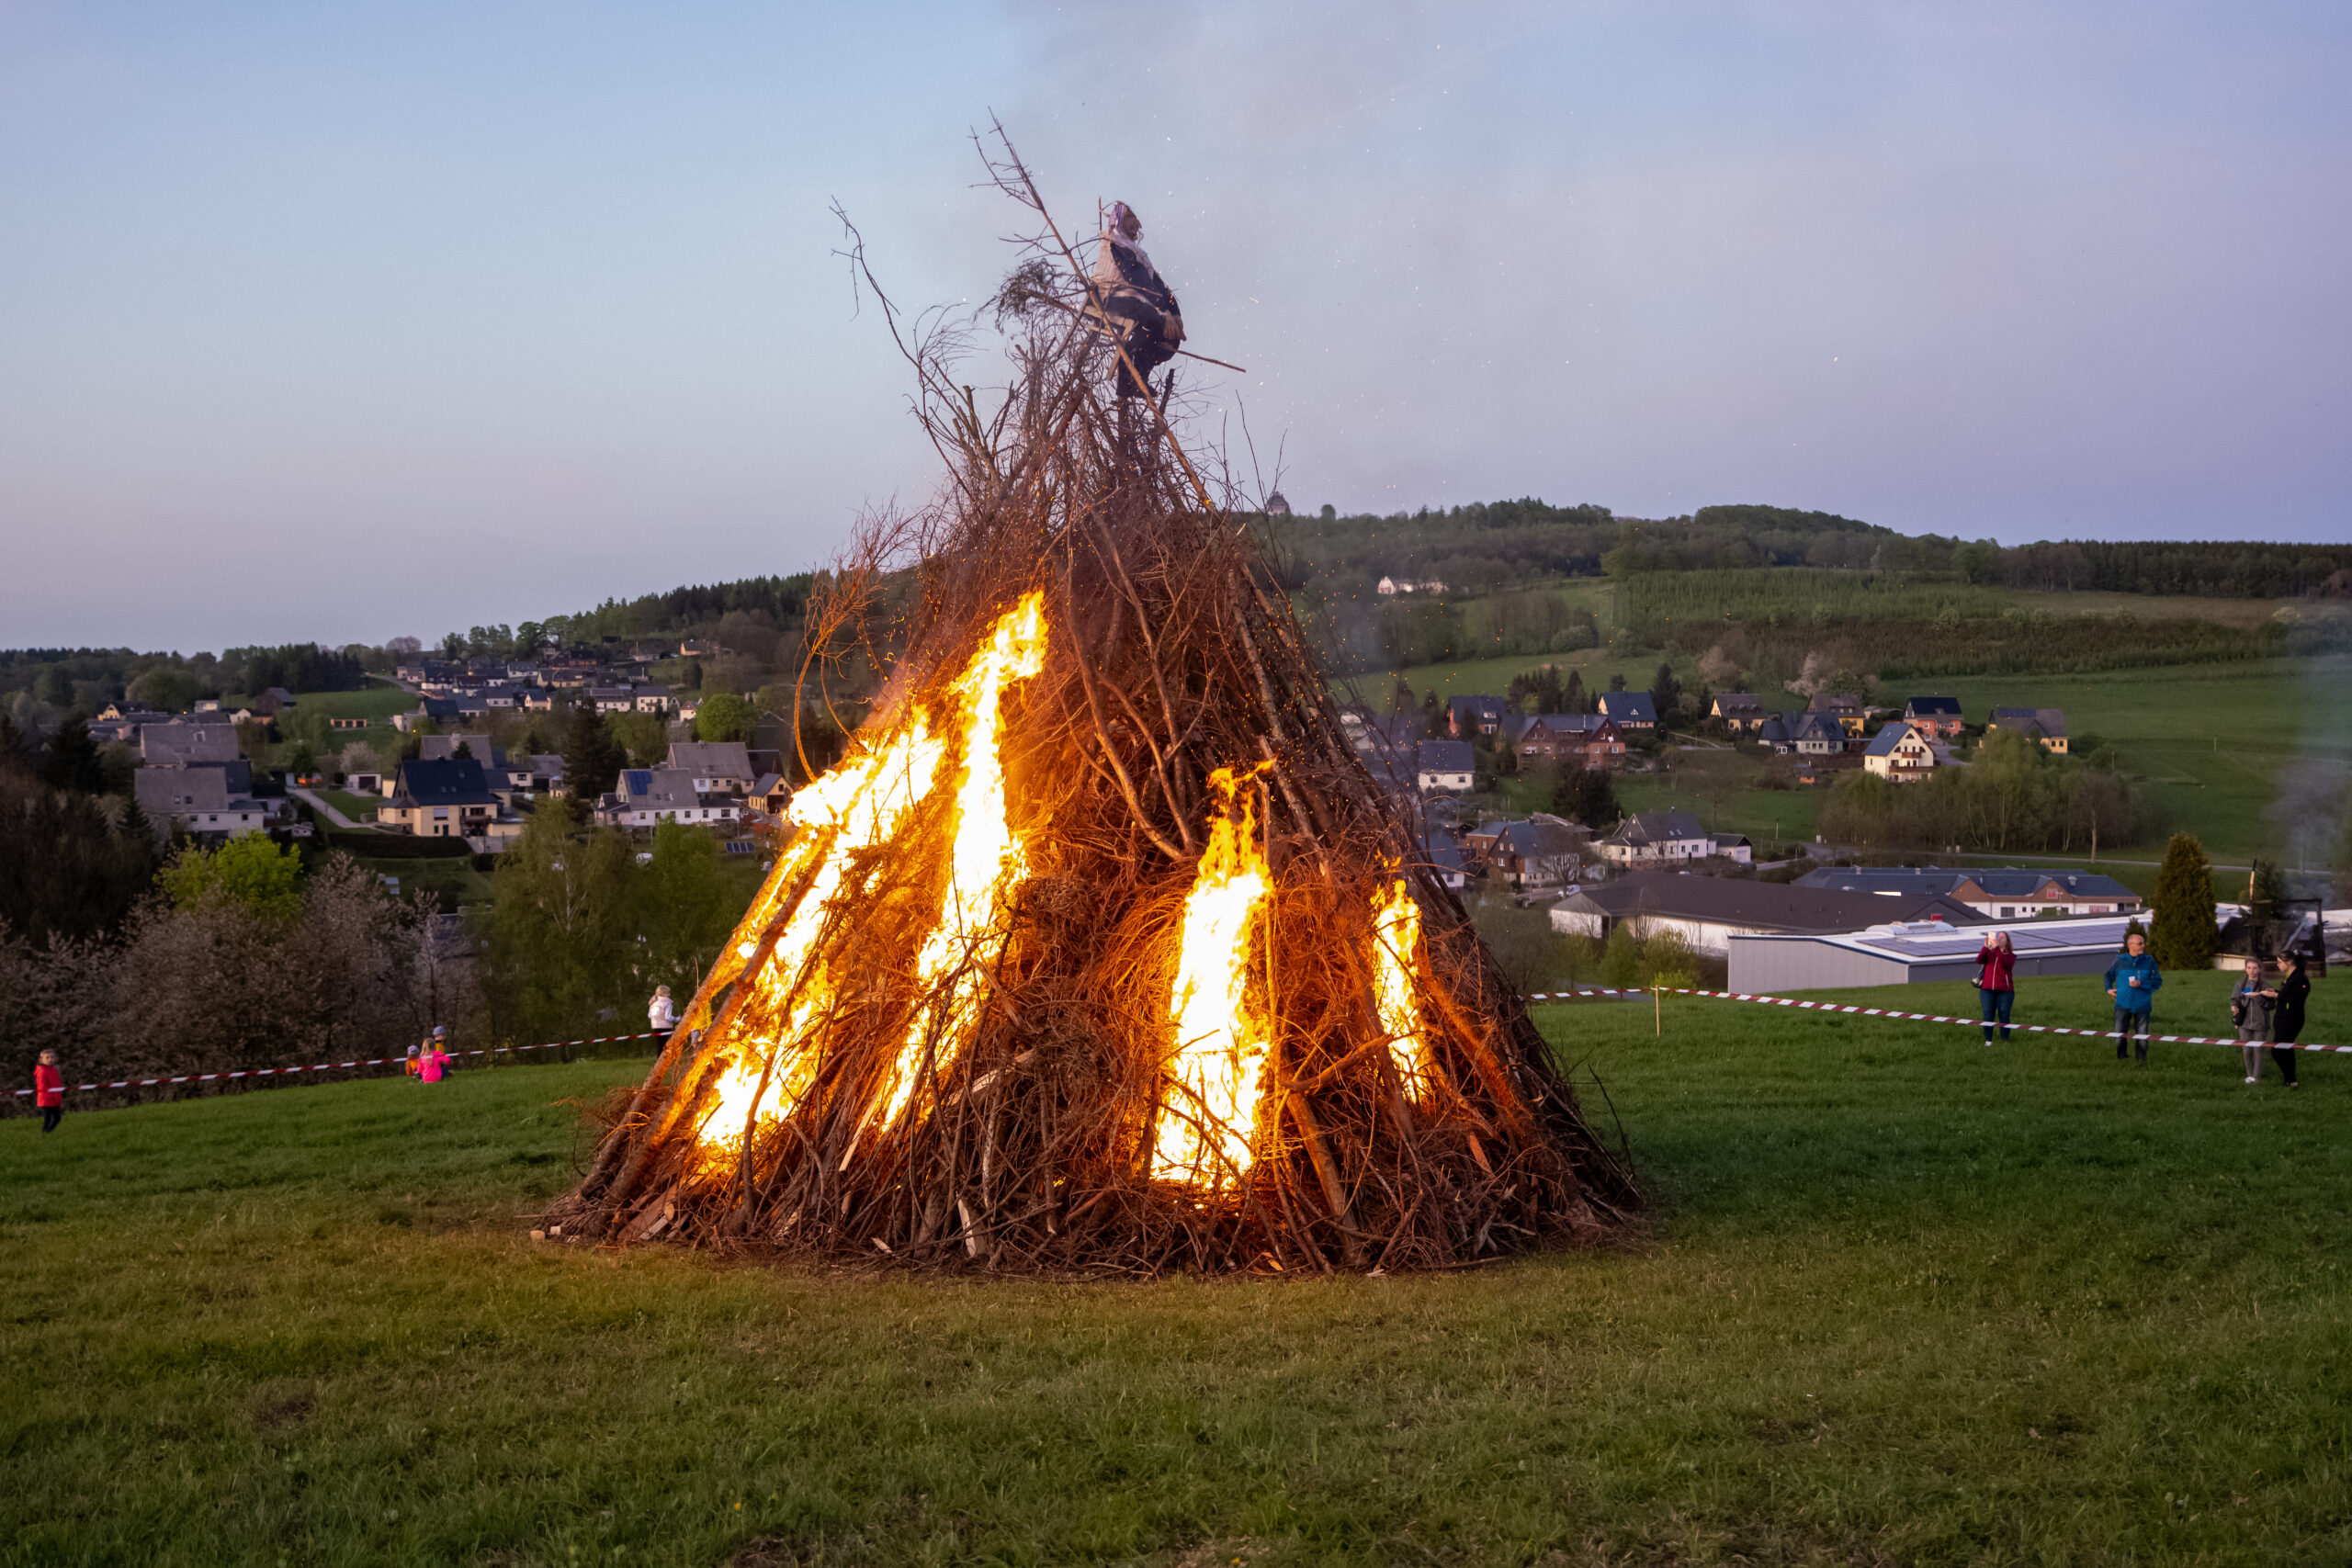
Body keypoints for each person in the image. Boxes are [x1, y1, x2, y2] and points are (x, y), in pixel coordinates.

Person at [1091, 201, 1183, 399]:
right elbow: (1137, 280)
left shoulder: (1136, 252)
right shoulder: (1116, 242)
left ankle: (1139, 375)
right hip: (1109, 296)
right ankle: (1127, 376)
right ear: (1121, 220)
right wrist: (1163, 313)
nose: (1138, 223)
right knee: (1156, 322)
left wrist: (1175, 314)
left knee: (1171, 338)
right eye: (1132, 217)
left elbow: (1157, 285)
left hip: (1133, 298)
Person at [2104, 931, 2163, 1062]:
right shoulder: (2120, 961)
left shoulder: (2149, 961)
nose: (2143, 946)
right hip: (2122, 1005)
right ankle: (2121, 1058)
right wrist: (2109, 989)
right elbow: (2108, 975)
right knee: (2119, 1035)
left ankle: (2141, 1061)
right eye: (2140, 943)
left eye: (2143, 943)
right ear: (2131, 945)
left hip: (2142, 1005)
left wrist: (2141, 984)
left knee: (2142, 1035)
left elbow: (2157, 981)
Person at [2230, 957, 2275, 1084]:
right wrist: (2234, 1007)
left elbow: (2271, 1004)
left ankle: (2256, 1077)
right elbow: (2235, 999)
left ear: (2259, 969)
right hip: (2244, 1023)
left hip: (2260, 1024)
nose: (2251, 970)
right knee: (2246, 1050)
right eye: (2249, 967)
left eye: (2255, 968)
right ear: (2245, 969)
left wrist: (2258, 998)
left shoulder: (2265, 985)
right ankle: (2249, 1075)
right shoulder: (2240, 984)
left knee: (2258, 1050)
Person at [2268, 953, 2310, 1088]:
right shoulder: (2289, 977)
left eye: (2280, 962)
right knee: (2286, 1049)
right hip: (2282, 1019)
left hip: (2291, 1020)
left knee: (2277, 1050)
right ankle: (2291, 1081)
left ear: (2290, 962)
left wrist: (2276, 995)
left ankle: (2290, 1078)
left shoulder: (2300, 979)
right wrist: (2274, 992)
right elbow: (2286, 995)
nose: (2278, 965)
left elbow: (2297, 1000)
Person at [1973, 930, 2016, 1044]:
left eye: (2002, 938)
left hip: (2005, 991)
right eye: (1998, 937)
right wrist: (1986, 948)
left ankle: (2005, 1039)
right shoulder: (1990, 954)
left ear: (2007, 941)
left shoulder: (2010, 955)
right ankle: (1988, 1040)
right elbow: (1979, 960)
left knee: (2004, 1013)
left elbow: (2006, 963)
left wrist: (1996, 948)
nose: (1999, 939)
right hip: (1987, 990)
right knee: (1988, 1014)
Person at [33, 1049, 63, 1134]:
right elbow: (42, 1085)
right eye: (47, 1058)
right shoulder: (42, 1071)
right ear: (41, 1060)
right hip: (46, 1099)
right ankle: (45, 1133)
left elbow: (57, 1085)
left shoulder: (53, 1070)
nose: (50, 1059)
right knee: (48, 1118)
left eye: (52, 1057)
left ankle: (48, 1132)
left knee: (57, 1118)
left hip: (54, 1099)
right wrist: (48, 1093)